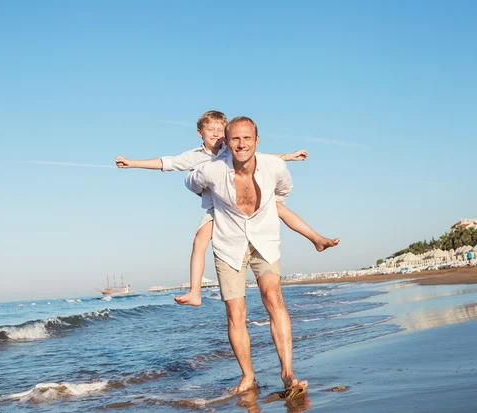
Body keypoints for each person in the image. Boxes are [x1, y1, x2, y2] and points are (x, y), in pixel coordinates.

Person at [116, 110, 338, 306]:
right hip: (218, 209)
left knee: (279, 208)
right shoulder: (194, 156)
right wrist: (133, 163)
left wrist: (288, 157)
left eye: (220, 130)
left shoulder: (229, 149)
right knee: (199, 240)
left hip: (241, 204)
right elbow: (166, 163)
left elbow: (258, 157)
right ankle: (195, 291)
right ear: (199, 133)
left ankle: (316, 239)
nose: (215, 134)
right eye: (209, 130)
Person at [185, 116, 311, 396]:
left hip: (263, 241)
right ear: (227, 144)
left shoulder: (275, 166)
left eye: (247, 138)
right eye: (235, 139)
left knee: (273, 297)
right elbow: (191, 182)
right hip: (228, 245)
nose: (242, 144)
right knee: (236, 314)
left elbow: (283, 191)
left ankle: (288, 373)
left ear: (257, 140)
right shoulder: (212, 170)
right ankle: (248, 377)